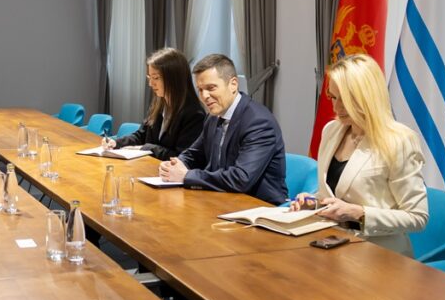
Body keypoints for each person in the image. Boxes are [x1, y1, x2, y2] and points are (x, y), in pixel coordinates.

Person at [290, 54, 428, 256]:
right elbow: (336, 194)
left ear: (367, 97)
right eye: (333, 97)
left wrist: (360, 214)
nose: (336, 107)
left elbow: (417, 217)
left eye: (345, 99)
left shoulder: (399, 141)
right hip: (332, 244)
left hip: (380, 255)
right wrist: (314, 202)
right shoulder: (331, 130)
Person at [159, 54, 287, 205]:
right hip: (221, 200)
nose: (204, 96)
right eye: (200, 90)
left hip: (258, 207)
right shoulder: (213, 116)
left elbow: (241, 179)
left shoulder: (259, 122)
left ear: (233, 84)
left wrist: (186, 176)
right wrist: (174, 165)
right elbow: (194, 154)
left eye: (211, 88)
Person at [101, 48, 205, 160]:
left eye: (156, 78)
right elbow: (141, 135)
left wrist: (147, 148)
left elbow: (182, 157)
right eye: (149, 78)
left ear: (174, 78)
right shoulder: (159, 104)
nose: (151, 84)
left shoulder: (194, 115)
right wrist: (117, 142)